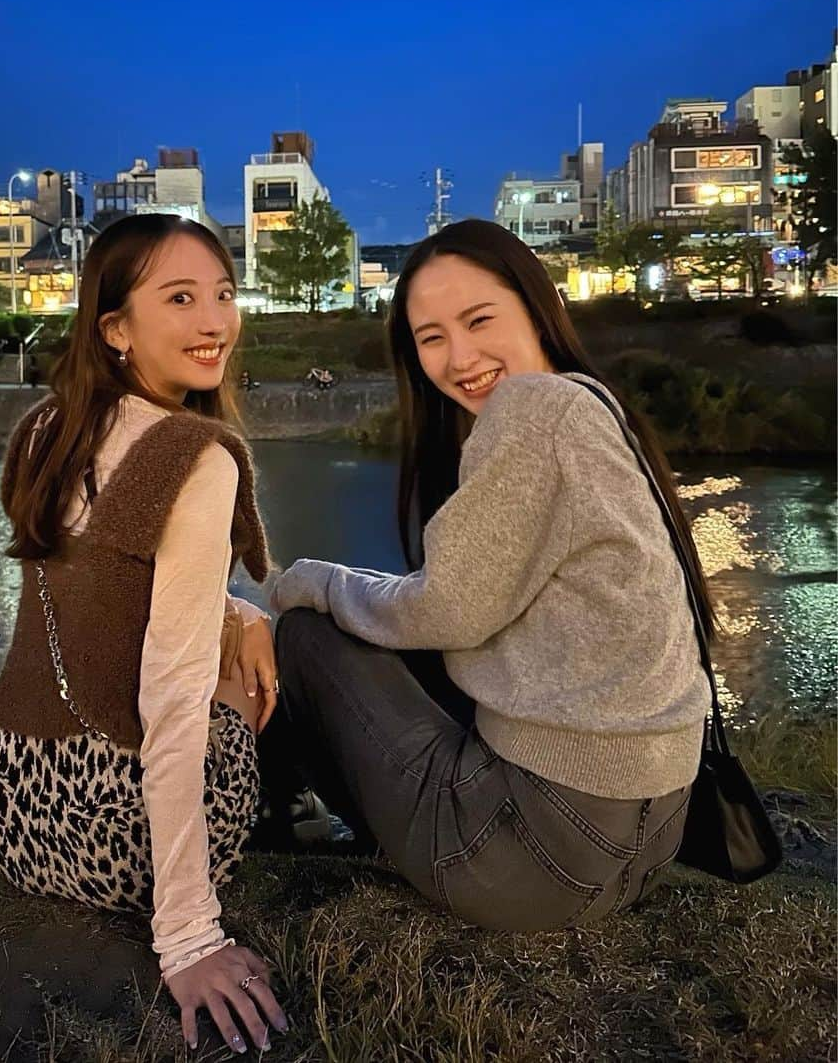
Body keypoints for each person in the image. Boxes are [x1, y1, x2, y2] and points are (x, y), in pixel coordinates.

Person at [269, 218, 712, 932]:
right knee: (386, 635)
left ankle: (281, 808)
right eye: (432, 338)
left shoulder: (531, 409)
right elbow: (465, 603)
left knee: (305, 636)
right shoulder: (593, 403)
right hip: (653, 835)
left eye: (479, 320)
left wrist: (316, 580)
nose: (460, 356)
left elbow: (444, 608)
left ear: (537, 307)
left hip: (537, 855)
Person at [0, 214, 289, 1054]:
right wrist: (187, 935)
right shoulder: (194, 457)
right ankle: (298, 808)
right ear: (115, 328)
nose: (215, 319)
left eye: (223, 293)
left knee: (240, 621)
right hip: (120, 847)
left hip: (10, 811)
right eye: (179, 297)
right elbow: (172, 701)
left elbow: (96, 594)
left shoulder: (46, 430)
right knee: (282, 652)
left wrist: (233, 608)